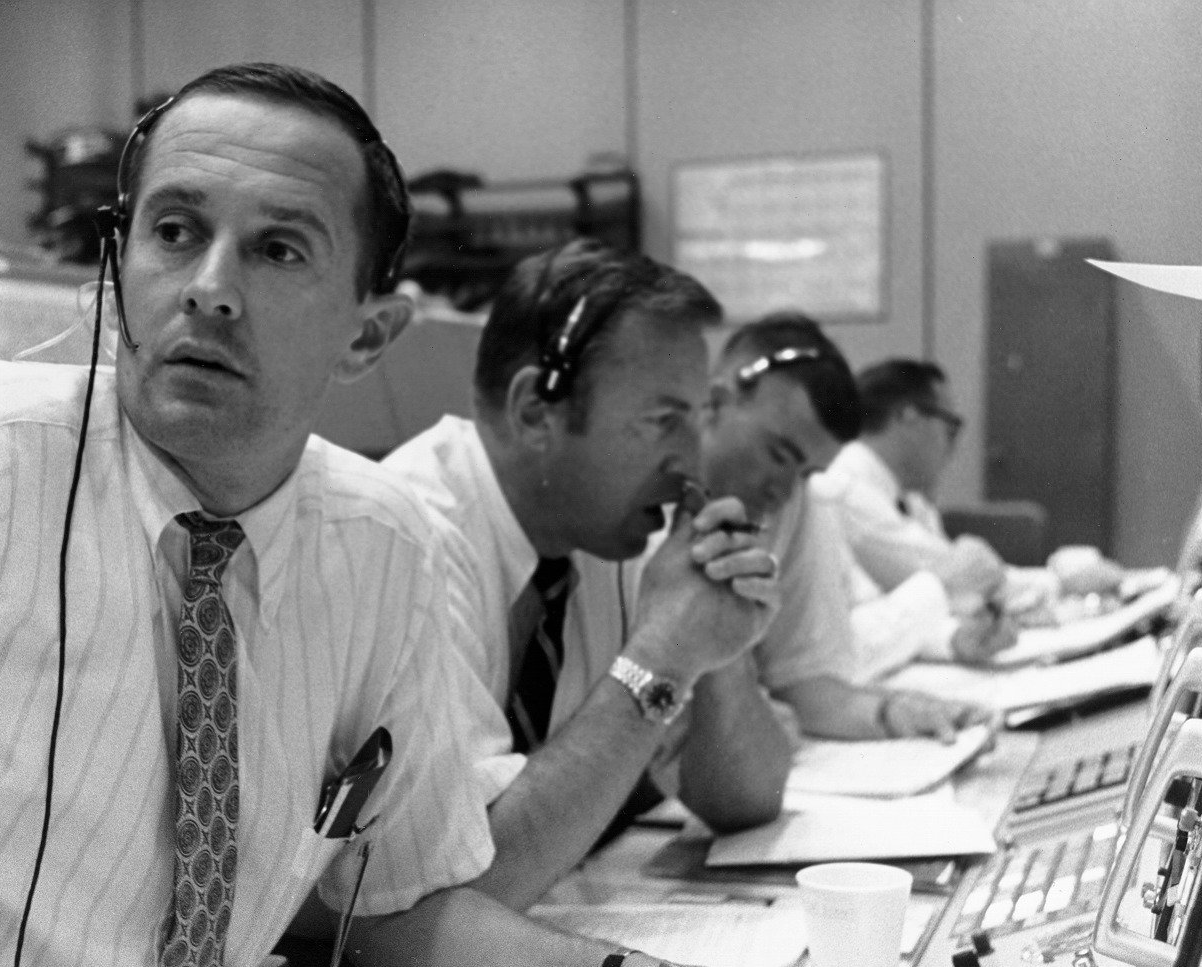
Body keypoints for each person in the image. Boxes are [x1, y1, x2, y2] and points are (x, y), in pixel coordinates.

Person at [0, 63, 851, 967]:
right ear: (117, 264)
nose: (211, 290)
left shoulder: (376, 546)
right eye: (174, 232)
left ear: (369, 333)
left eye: (277, 249)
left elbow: (404, 908)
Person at [382, 239, 795, 913]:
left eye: (697, 421)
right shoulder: (408, 541)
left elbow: (746, 801)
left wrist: (713, 645)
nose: (691, 464)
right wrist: (660, 656)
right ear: (534, 412)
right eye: (662, 421)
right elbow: (462, 892)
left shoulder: (615, 530)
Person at [691, 312, 993, 742]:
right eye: (777, 454)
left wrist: (897, 712)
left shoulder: (798, 499)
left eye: (805, 470)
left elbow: (807, 686)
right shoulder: (633, 510)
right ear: (715, 404)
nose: (782, 489)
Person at [814, 359, 1124, 623]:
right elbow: (956, 579)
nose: (951, 447)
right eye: (950, 426)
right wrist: (1061, 582)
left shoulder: (907, 494)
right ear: (908, 417)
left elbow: (965, 579)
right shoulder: (847, 487)